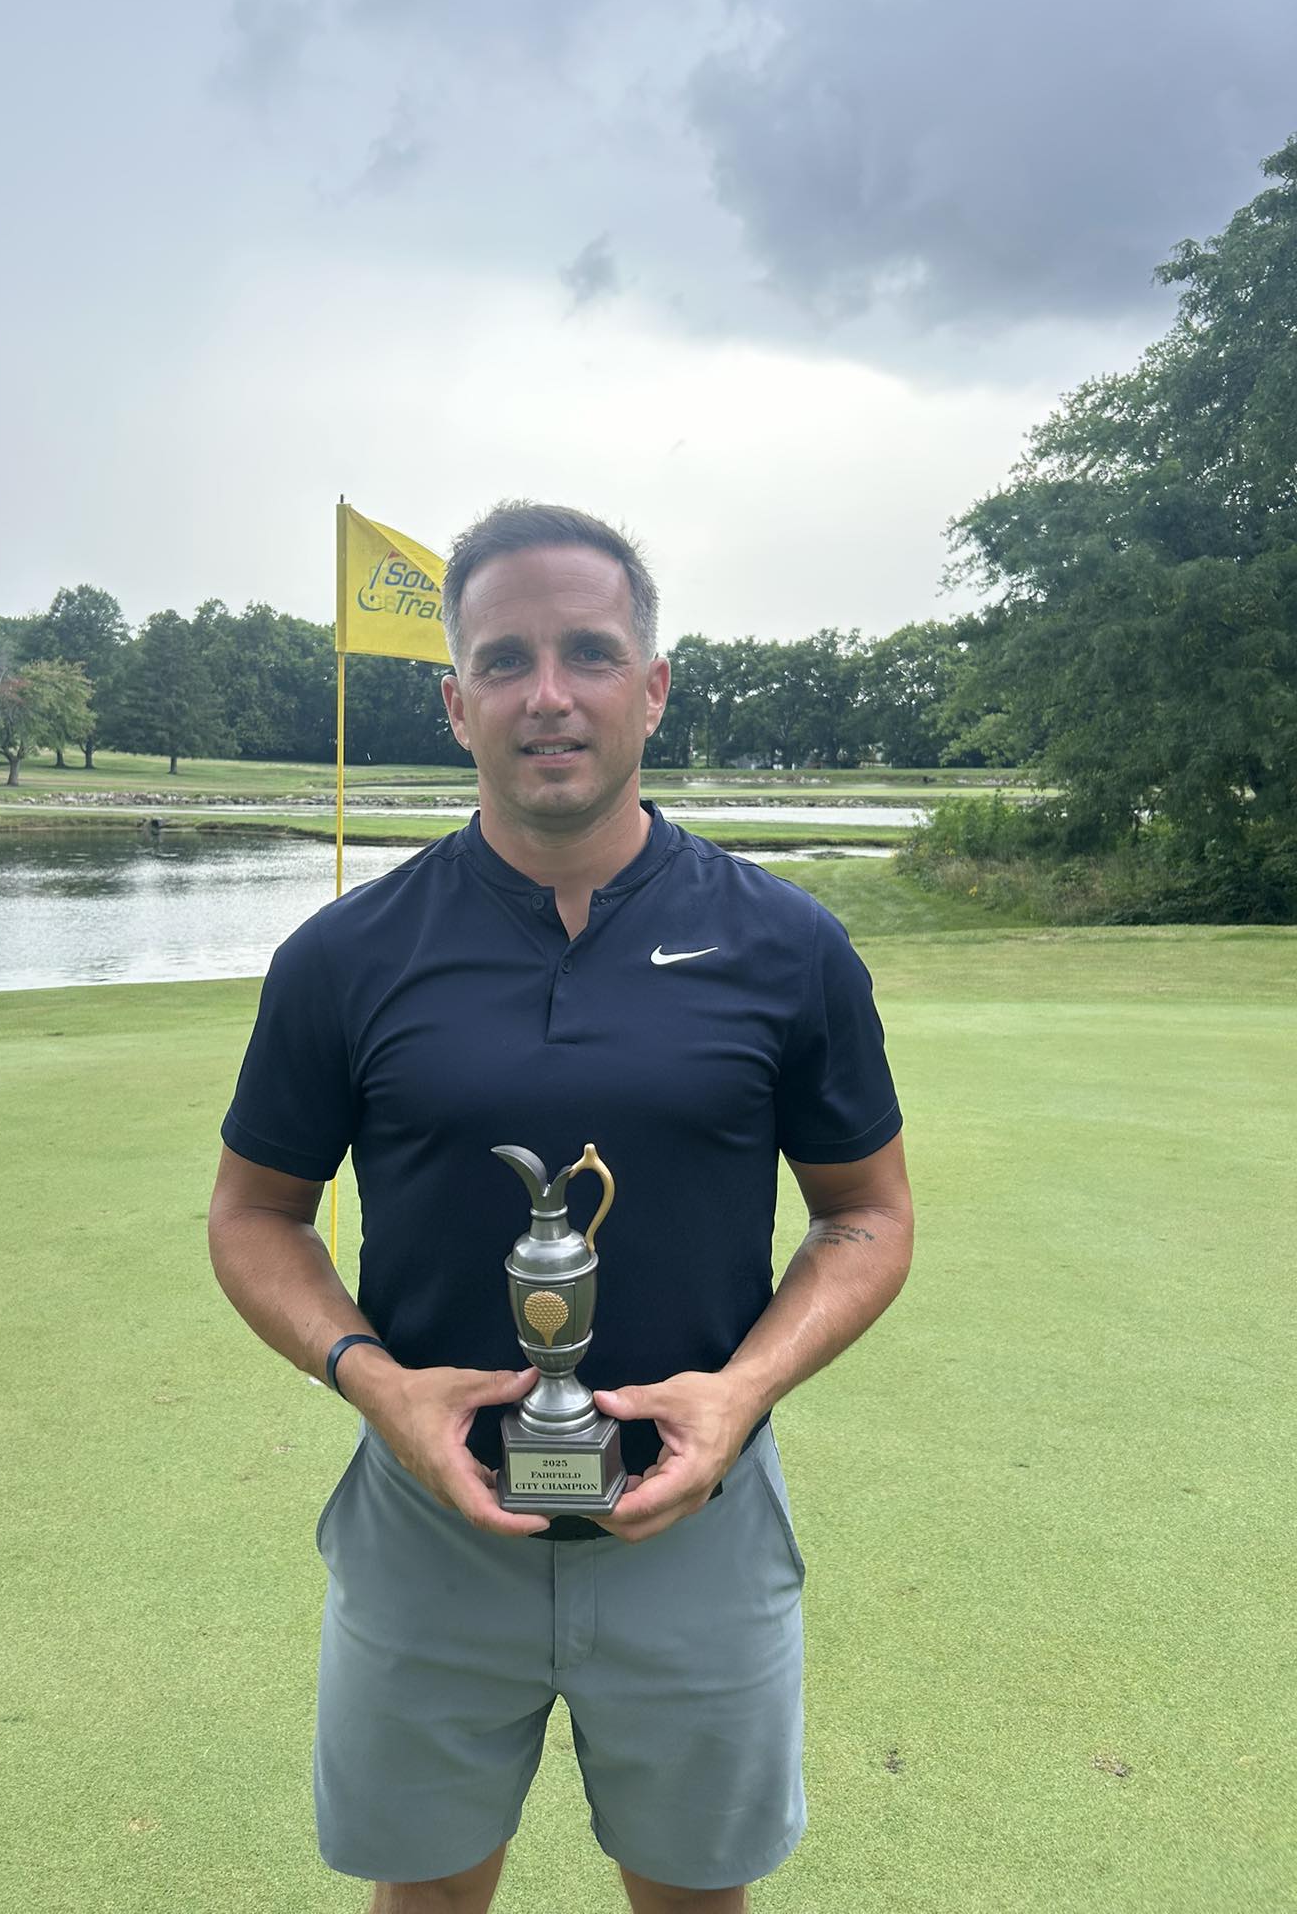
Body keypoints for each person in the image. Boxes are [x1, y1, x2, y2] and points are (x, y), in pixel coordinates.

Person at [208, 501, 914, 1914]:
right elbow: (254, 1216)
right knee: (423, 1895)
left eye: (590, 653)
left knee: (695, 1897)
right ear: (453, 698)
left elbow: (866, 1217)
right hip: (427, 1528)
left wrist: (742, 1392)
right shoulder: (346, 954)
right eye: (507, 658)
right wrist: (374, 1382)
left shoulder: (787, 944)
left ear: (651, 688)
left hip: (696, 1524)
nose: (549, 695)